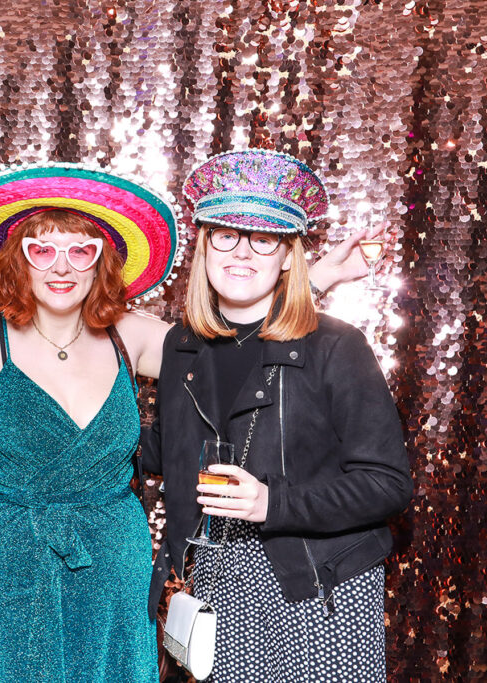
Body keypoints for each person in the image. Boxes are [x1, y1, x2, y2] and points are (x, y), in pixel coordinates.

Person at [0, 162, 374, 682]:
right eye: (42, 249)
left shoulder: (133, 335)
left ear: (102, 261)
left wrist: (313, 278)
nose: (61, 266)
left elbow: (235, 343)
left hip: (115, 551)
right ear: (20, 259)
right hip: (18, 553)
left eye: (81, 250)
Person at [140, 149, 412, 681]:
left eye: (263, 239)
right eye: (225, 235)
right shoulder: (182, 345)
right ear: (204, 246)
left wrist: (271, 502)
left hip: (317, 587)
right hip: (215, 581)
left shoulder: (336, 345)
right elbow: (170, 446)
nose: (241, 252)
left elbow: (388, 484)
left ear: (288, 255)